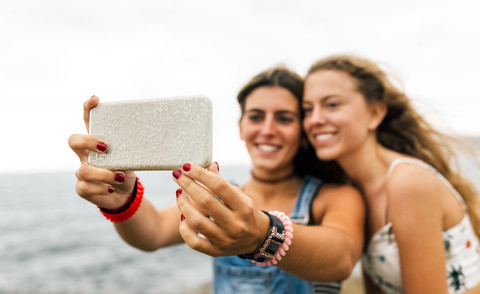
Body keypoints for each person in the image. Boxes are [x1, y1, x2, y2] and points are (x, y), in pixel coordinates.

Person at [68, 65, 365, 294]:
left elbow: (341, 259)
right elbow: (154, 233)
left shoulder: (334, 196)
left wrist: (262, 235)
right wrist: (123, 199)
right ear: (240, 127)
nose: (268, 129)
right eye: (256, 116)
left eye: (285, 118)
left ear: (303, 131)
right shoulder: (218, 197)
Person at [298, 54, 480, 293]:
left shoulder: (408, 183)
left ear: (374, 114)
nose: (315, 120)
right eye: (308, 110)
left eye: (332, 104)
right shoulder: (355, 189)